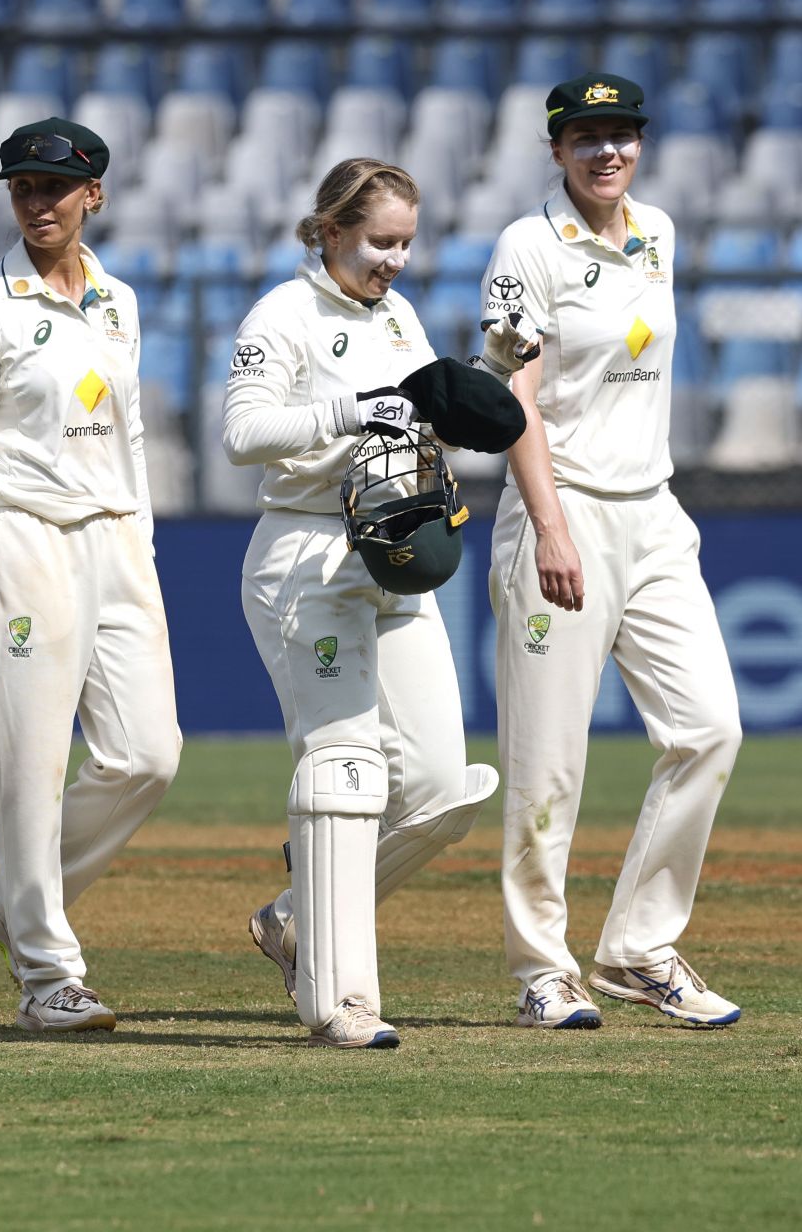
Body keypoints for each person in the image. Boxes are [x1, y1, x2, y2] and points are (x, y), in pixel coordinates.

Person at [226, 159, 522, 1048]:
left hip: (393, 551)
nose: (395, 259)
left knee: (442, 790)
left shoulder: (397, 315)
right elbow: (242, 433)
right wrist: (355, 408)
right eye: (378, 241)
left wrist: (487, 371)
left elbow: (418, 419)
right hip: (306, 554)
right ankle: (340, 1001)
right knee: (342, 768)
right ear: (328, 230)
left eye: (405, 242)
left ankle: (293, 920)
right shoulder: (283, 314)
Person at [476, 74, 743, 1029]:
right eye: (586, 137)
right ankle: (540, 968)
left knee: (710, 729)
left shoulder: (659, 234)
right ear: (556, 149)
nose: (606, 152)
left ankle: (638, 947)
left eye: (622, 135)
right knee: (549, 764)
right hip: (565, 509)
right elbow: (515, 399)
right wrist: (550, 527)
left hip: (655, 512)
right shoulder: (526, 246)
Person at [0, 118, 181, 1034]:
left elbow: (133, 435)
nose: (37, 204)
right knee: (29, 770)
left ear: (93, 196)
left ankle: (14, 897)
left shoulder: (117, 300)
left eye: (54, 189)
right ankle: (47, 975)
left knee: (149, 755)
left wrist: (141, 549)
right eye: (22, 189)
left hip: (115, 542)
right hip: (20, 541)